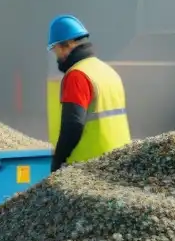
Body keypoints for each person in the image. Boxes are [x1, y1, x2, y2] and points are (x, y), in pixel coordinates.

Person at [46, 15, 131, 172]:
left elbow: (73, 124)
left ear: (68, 45)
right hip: (121, 161)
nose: (56, 56)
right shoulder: (107, 71)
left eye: (55, 49)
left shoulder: (77, 75)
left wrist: (58, 161)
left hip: (91, 167)